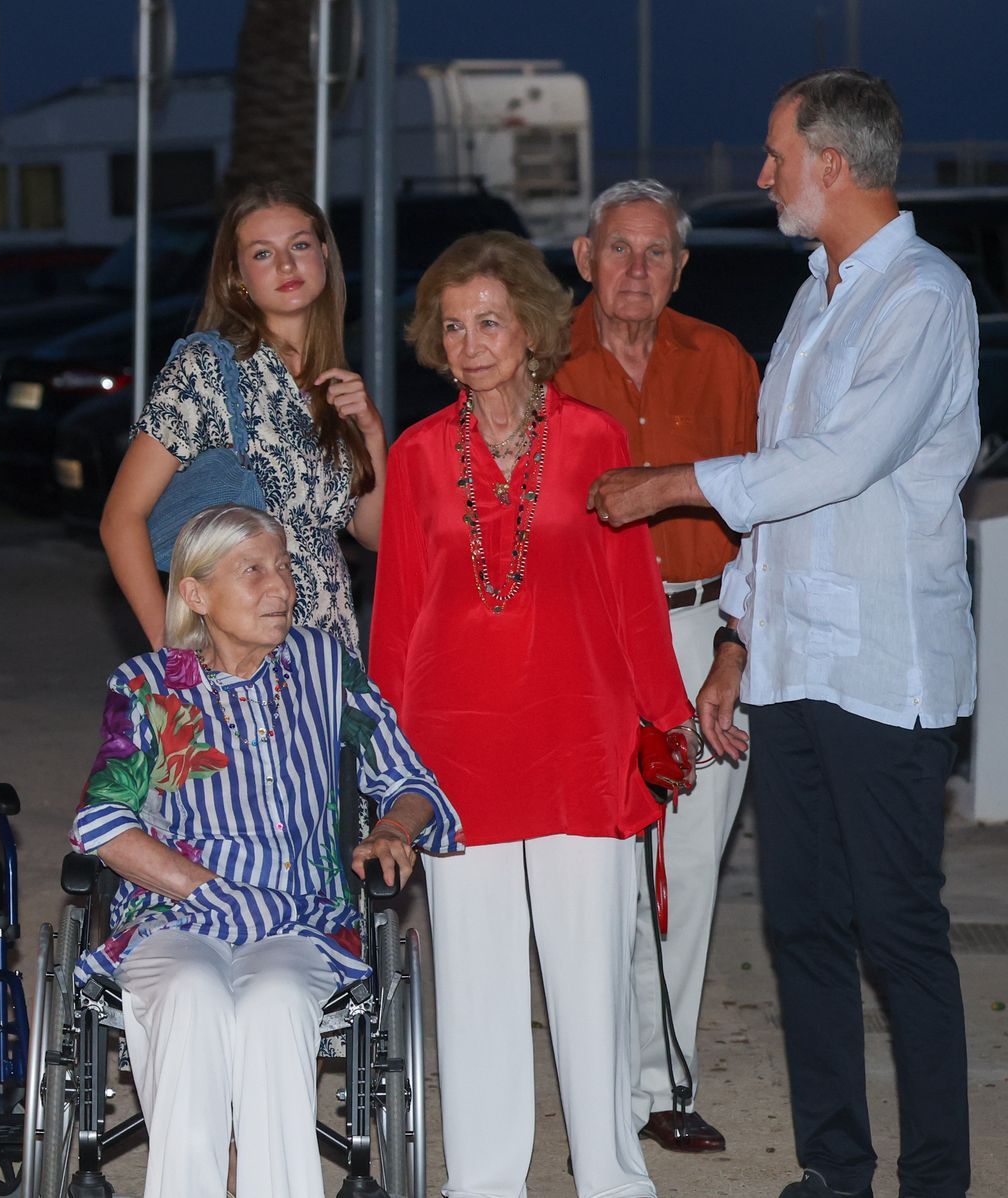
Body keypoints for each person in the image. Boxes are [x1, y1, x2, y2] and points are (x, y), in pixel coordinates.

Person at [588, 69, 977, 1198]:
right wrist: (735, 642)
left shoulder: (922, 294)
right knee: (802, 927)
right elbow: (782, 503)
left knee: (897, 932)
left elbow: (836, 464)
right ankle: (834, 1170)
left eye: (773, 155)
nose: (759, 176)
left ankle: (937, 1179)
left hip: (884, 669)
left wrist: (670, 483)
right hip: (792, 665)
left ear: (832, 165)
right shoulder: (815, 295)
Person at [369, 231, 696, 1198]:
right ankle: (483, 1183)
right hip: (454, 751)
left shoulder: (595, 438)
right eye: (454, 326)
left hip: (578, 741)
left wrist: (668, 721)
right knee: (475, 993)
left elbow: (633, 594)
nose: (471, 342)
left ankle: (611, 1179)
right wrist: (385, 760)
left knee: (591, 981)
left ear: (532, 328)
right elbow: (395, 619)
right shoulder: (419, 454)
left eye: (490, 322)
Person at [71, 504, 461, 1198]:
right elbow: (103, 824)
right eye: (252, 572)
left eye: (283, 568)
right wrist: (212, 892)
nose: (279, 588)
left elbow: (409, 779)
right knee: (189, 995)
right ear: (195, 594)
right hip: (175, 914)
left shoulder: (322, 666)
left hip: (300, 917)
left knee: (275, 1001)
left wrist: (395, 829)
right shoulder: (150, 687)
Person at [555, 178, 759, 1155]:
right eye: (618, 249)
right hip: (590, 640)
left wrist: (736, 645)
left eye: (657, 253)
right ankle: (603, 1073)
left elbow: (770, 511)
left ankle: (662, 1080)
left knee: (688, 865)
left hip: (703, 628)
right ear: (584, 257)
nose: (637, 270)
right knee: (604, 870)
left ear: (681, 266)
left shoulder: (721, 360)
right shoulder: (543, 358)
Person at [100, 182, 386, 657]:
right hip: (236, 651)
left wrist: (372, 434)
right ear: (237, 276)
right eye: (262, 253)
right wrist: (169, 645)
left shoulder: (334, 379)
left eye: (299, 245)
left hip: (327, 648)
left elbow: (370, 536)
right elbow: (120, 518)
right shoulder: (208, 367)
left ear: (324, 254)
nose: (287, 265)